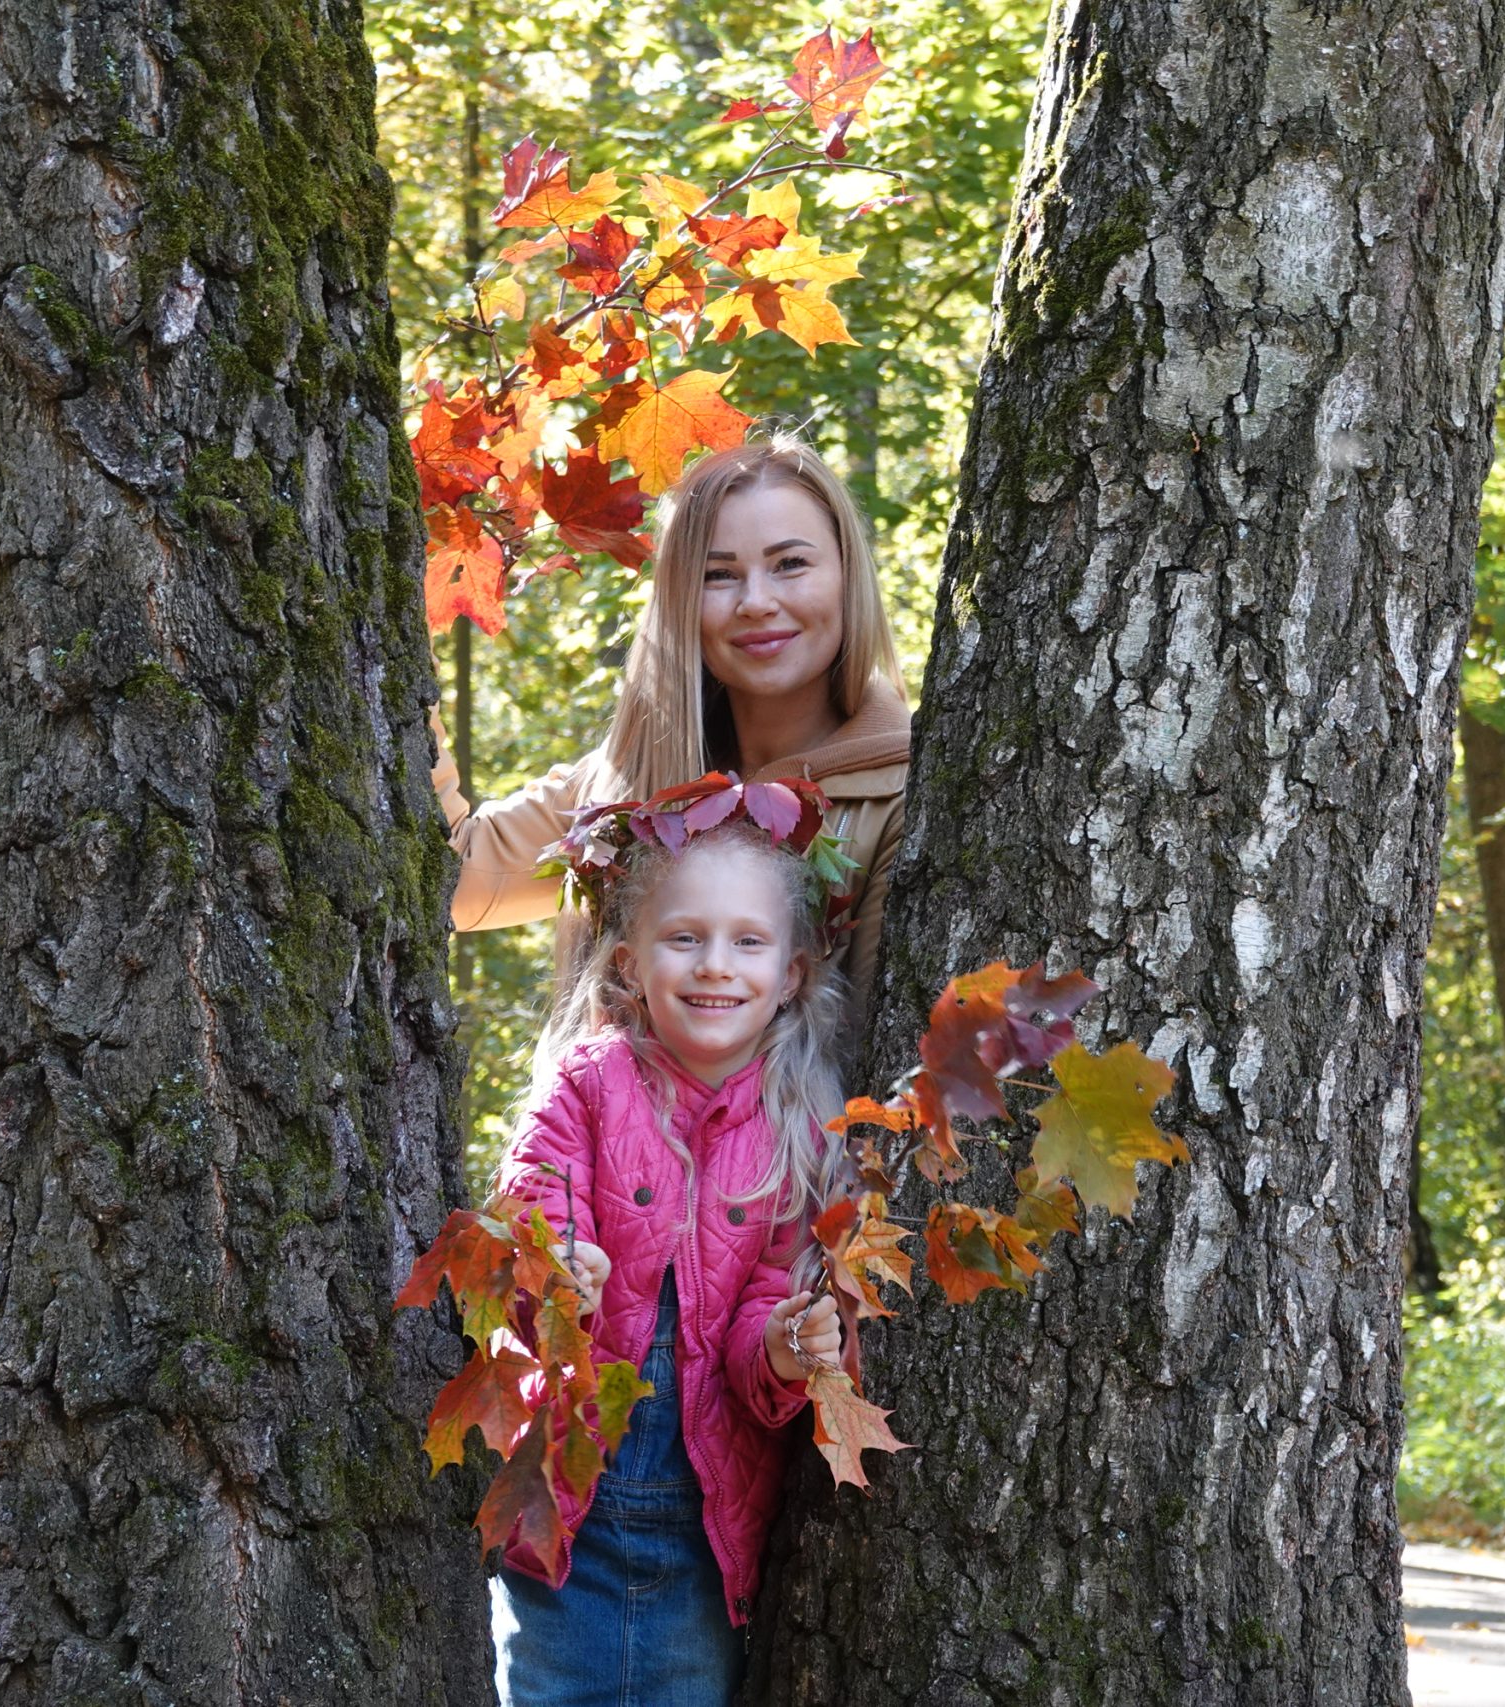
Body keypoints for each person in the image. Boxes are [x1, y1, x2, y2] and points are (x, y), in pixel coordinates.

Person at [486, 780, 853, 1706]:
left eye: (748, 941)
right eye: (684, 937)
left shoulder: (803, 1129)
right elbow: (534, 1199)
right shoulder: (588, 1083)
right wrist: (559, 1263)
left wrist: (780, 1345)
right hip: (567, 1519)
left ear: (794, 972)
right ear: (628, 962)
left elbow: (768, 1307)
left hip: (703, 1533)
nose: (714, 965)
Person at [430, 437, 912, 1008]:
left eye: (791, 565)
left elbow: (888, 1059)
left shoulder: (906, 798)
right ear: (680, 599)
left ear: (847, 577)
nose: (756, 601)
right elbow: (450, 881)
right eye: (718, 575)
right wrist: (393, 626)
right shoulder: (627, 781)